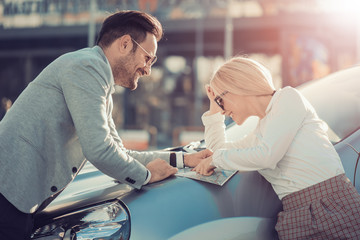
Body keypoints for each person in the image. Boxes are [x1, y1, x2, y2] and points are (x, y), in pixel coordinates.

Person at [0, 10, 211, 239]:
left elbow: (120, 153)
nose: (148, 69)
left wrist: (182, 159)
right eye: (148, 58)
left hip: (14, 201)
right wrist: (146, 176)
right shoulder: (86, 68)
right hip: (7, 197)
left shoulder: (98, 83)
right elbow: (99, 150)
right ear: (125, 44)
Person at [193, 56, 360, 239]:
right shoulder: (260, 132)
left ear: (236, 89)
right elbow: (218, 150)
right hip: (295, 215)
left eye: (220, 102)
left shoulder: (287, 98)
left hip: (332, 206)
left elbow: (267, 155)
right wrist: (214, 111)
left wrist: (216, 160)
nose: (222, 110)